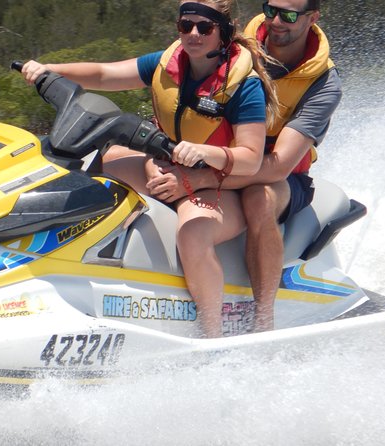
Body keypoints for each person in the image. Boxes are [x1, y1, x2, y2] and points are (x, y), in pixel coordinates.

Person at [21, 0, 279, 337]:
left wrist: (202, 153)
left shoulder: (244, 85)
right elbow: (104, 74)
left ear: (224, 33)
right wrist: (51, 69)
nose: (194, 34)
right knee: (94, 179)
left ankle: (213, 336)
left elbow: (250, 158)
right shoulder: (166, 63)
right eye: (186, 26)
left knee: (193, 233)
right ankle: (66, 276)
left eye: (205, 27)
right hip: (166, 168)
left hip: (219, 183)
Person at [145, 0, 342, 332]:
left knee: (258, 199)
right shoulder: (236, 42)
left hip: (275, 173)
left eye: (289, 15)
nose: (276, 21)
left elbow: (277, 166)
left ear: (312, 18)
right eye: (270, 10)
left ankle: (264, 319)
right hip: (220, 158)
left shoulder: (323, 83)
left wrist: (196, 180)